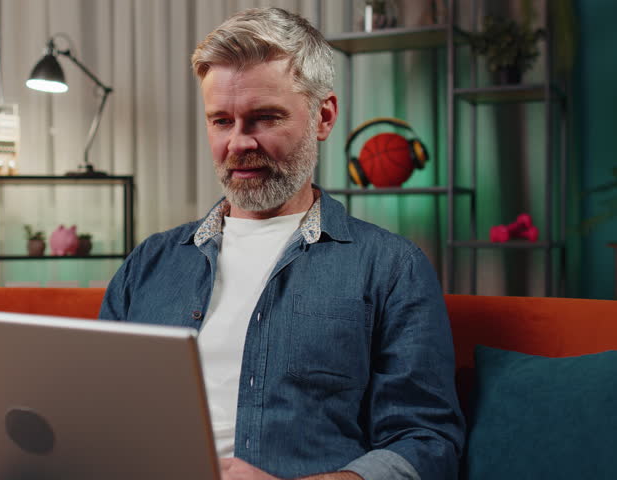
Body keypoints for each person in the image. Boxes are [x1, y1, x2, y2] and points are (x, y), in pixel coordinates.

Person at [99, 7, 465, 480]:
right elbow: (98, 413)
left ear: (323, 116)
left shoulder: (391, 267)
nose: (238, 143)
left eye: (263, 118)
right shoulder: (149, 262)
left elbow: (427, 441)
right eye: (220, 121)